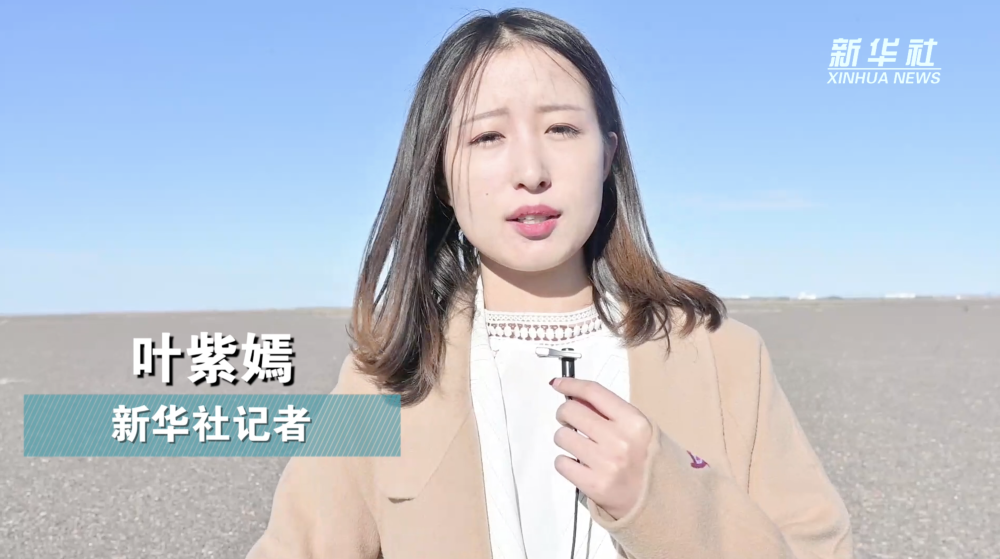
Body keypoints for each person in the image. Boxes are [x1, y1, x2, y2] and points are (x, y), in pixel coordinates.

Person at [246, 8, 854, 559]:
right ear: (440, 175)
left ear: (608, 154)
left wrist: (665, 497)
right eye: (487, 137)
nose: (531, 171)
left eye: (561, 129)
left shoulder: (725, 358)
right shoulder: (384, 376)